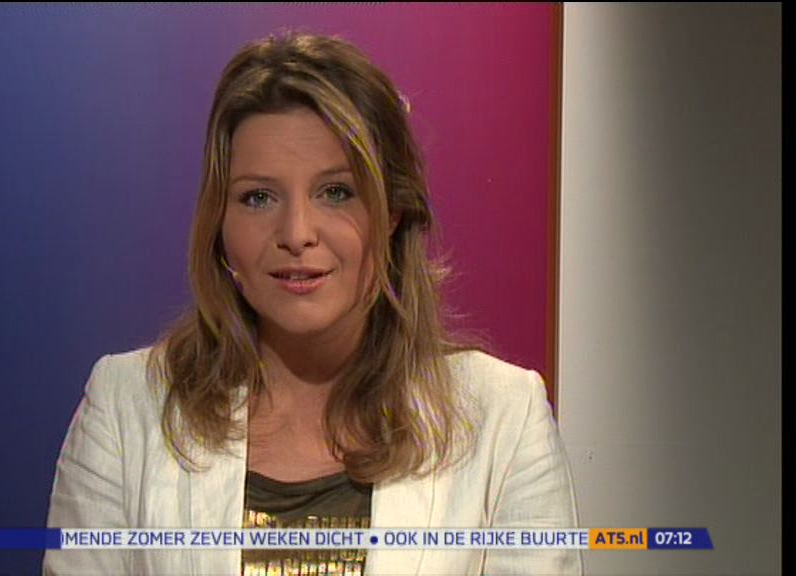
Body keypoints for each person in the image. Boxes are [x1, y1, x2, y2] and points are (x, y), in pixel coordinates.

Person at [43, 30, 581, 576]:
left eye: (335, 192)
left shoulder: (502, 418)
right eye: (258, 197)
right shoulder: (127, 408)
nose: (296, 233)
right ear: (219, 224)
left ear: (391, 213)